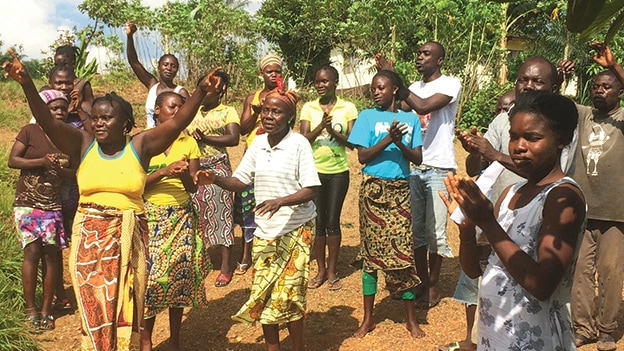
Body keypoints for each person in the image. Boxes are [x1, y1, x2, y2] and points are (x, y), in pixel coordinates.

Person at [3, 49, 222, 351]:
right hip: (89, 240)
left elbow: (175, 124)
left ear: (125, 124)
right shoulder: (83, 143)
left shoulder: (141, 146)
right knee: (93, 302)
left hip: (129, 238)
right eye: (95, 119)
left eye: (107, 118)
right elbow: (49, 123)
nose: (99, 124)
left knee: (127, 303)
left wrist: (199, 90)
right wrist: (27, 82)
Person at [443, 91, 585, 350]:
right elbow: (476, 270)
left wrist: (488, 223)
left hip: (535, 337)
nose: (519, 146)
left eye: (532, 138)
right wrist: (467, 229)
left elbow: (542, 286)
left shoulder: (562, 197)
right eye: (513, 136)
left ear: (561, 140)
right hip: (495, 333)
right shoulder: (511, 194)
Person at [194, 78, 320, 351]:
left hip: (297, 229)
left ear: (289, 117)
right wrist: (213, 178)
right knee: (263, 293)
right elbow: (240, 181)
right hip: (265, 231)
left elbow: (311, 190)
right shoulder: (257, 144)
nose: (269, 116)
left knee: (290, 295)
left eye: (277, 112)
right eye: (265, 111)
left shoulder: (299, 144)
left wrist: (281, 201)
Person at [378, 41, 462, 308]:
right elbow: (398, 108)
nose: (420, 57)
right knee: (416, 231)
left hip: (439, 166)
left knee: (435, 230)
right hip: (414, 166)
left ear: (440, 60)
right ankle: (421, 283)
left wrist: (397, 82)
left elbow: (424, 107)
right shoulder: (412, 88)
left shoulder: (451, 84)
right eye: (418, 53)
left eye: (426, 54)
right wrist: (389, 84)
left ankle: (434, 285)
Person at [347, 70, 425, 339]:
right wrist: (388, 138)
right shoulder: (367, 117)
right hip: (373, 191)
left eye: (381, 87)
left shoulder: (410, 119)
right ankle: (368, 319)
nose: (376, 91)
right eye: (373, 88)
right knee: (369, 255)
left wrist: (400, 141)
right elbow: (363, 157)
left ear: (394, 89)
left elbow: (416, 157)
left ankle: (411, 319)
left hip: (400, 190)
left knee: (404, 252)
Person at [438, 90, 516, 351]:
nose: (504, 113)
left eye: (509, 108)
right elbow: (474, 168)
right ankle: (473, 339)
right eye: (500, 109)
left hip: (503, 225)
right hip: (482, 224)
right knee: (473, 283)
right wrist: (474, 149)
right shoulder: (496, 134)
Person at [141, 91, 210, 351]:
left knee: (178, 279)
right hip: (150, 216)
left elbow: (192, 188)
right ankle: (146, 338)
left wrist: (183, 176)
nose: (177, 111)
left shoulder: (188, 142)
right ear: (157, 110)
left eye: (181, 107)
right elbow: (135, 185)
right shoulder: (143, 141)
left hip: (180, 216)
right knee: (150, 279)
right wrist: (164, 172)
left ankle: (175, 340)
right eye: (172, 107)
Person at [571, 43, 624, 351]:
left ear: (618, 92)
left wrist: (614, 65)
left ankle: (606, 329)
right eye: (596, 86)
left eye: (607, 87)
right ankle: (583, 327)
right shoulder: (583, 116)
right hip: (583, 210)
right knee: (579, 270)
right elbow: (550, 102)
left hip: (616, 212)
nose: (600, 91)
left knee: (611, 271)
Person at [9, 89, 72, 331]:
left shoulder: (70, 137)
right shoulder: (30, 131)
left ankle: (47, 311)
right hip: (27, 203)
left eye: (63, 109)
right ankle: (30, 309)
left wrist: (60, 171)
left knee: (50, 256)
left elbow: (76, 173)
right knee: (32, 253)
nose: (59, 112)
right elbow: (13, 160)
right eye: (54, 108)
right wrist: (42, 162)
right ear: (43, 110)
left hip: (53, 205)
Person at [300, 64, 357, 291]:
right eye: (317, 82)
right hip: (313, 172)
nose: (321, 85)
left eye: (325, 81)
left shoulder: (348, 107)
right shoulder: (308, 108)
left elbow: (352, 143)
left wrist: (332, 131)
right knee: (317, 222)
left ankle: (333, 271)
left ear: (335, 83)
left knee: (332, 220)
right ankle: (320, 270)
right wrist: (320, 128)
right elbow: (303, 140)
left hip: (338, 172)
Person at [185, 71, 240, 287]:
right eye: (205, 84)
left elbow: (233, 138)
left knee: (222, 213)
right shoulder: (192, 109)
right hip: (194, 167)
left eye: (214, 85)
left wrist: (205, 137)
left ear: (222, 89)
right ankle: (200, 262)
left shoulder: (227, 111)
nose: (208, 88)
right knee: (195, 216)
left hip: (217, 168)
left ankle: (226, 266)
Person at [235, 53, 283, 275]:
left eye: (277, 71)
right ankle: (246, 253)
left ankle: (270, 252)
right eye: (269, 71)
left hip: (275, 155)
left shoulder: (285, 95)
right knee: (247, 204)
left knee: (271, 202)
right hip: (253, 154)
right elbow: (243, 129)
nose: (274, 75)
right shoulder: (252, 97)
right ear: (261, 74)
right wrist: (257, 109)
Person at [126, 21, 190, 129]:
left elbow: (191, 115)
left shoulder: (181, 92)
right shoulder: (152, 85)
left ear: (177, 70)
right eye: (165, 65)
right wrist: (130, 37)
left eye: (173, 66)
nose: (169, 68)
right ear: (159, 67)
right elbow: (133, 62)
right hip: (151, 137)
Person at [51, 44, 95, 116]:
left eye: (64, 64)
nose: (60, 67)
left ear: (73, 64)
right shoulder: (53, 84)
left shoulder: (83, 85)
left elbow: (92, 109)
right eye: (57, 65)